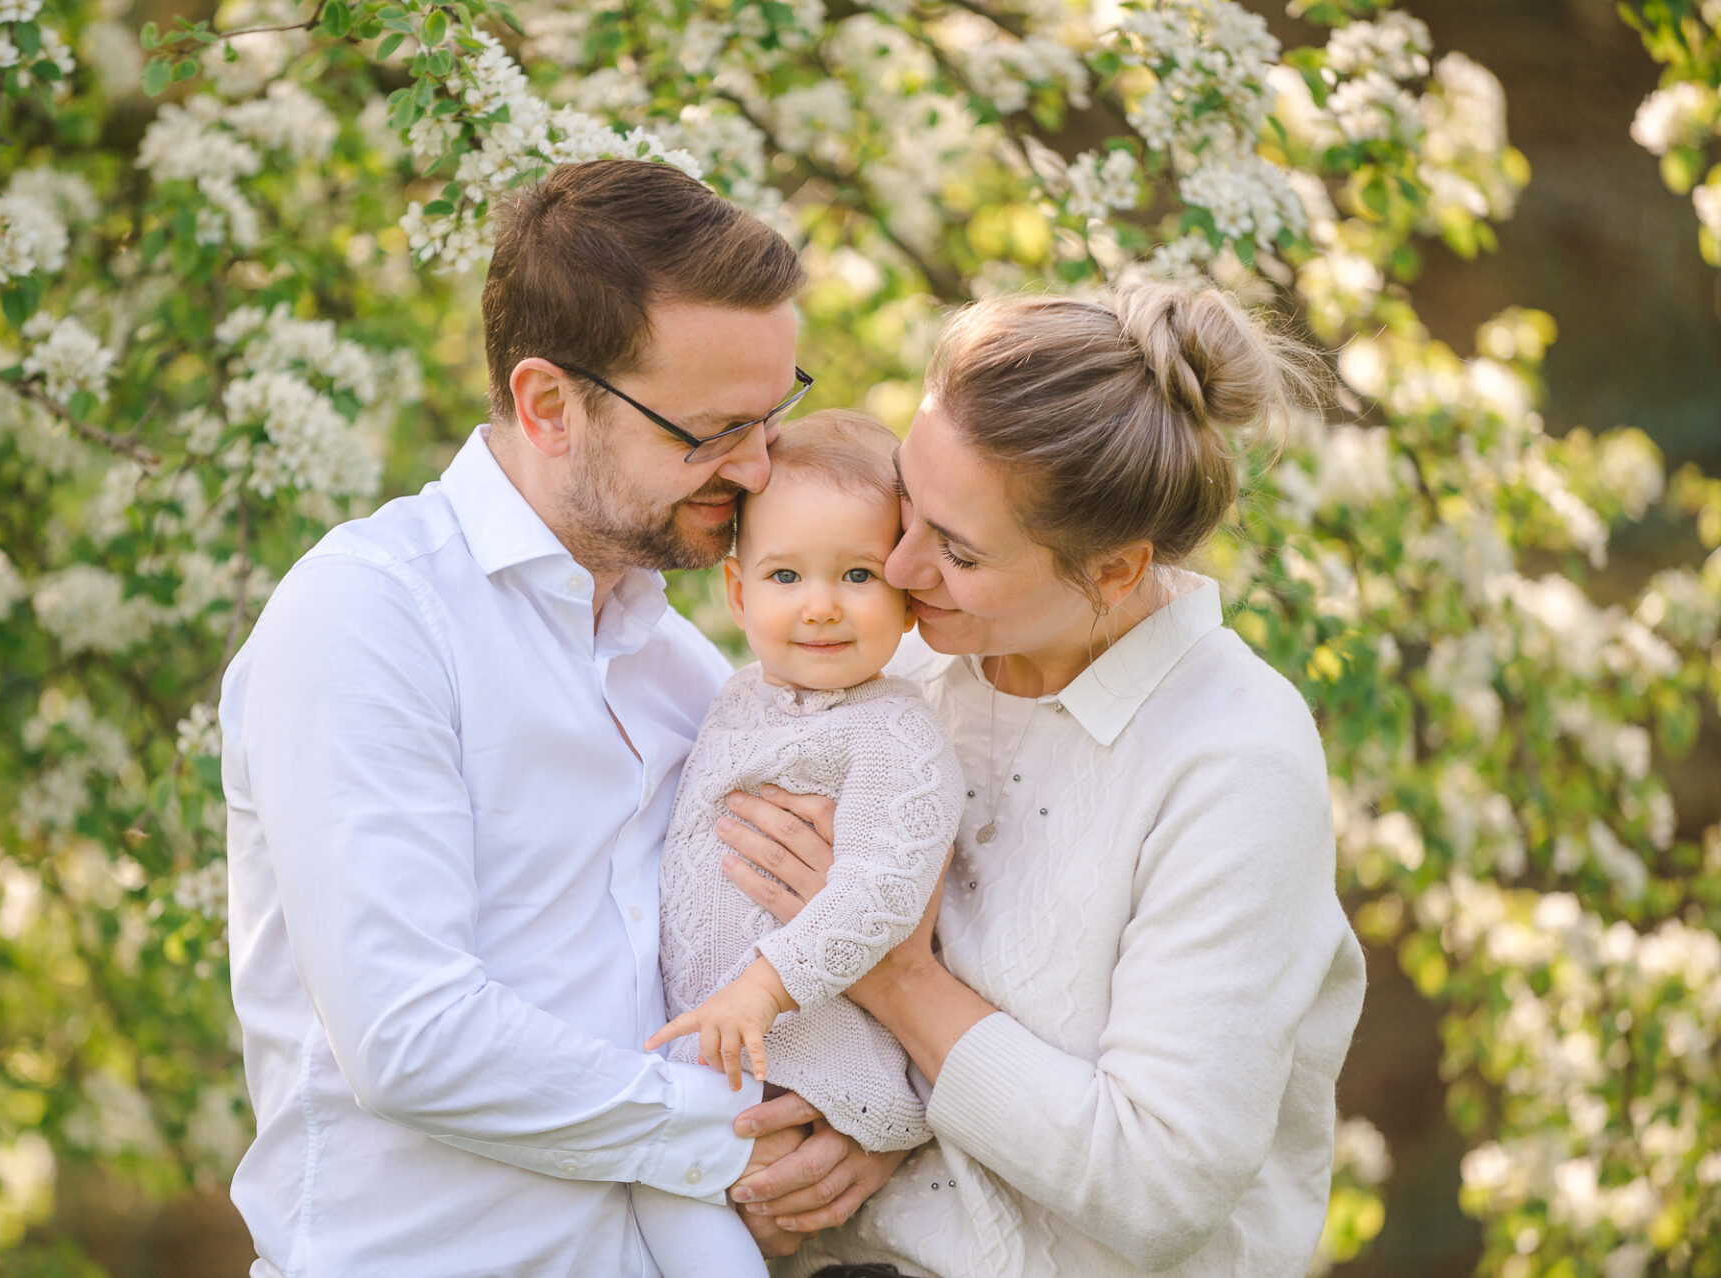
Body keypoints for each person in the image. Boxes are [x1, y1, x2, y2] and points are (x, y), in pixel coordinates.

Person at [218, 159, 895, 1277]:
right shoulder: (368, 619)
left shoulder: (685, 668)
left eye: (774, 416)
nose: (761, 466)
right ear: (547, 405)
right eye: (716, 429)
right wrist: (727, 1139)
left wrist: (835, 1136)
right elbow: (411, 1039)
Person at [716, 284, 1369, 1276]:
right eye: (909, 507)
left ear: (1114, 570)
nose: (896, 563)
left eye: (959, 551)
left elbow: (1158, 1187)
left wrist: (892, 973)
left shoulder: (1234, 760)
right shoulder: (901, 664)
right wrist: (849, 1121)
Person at [633, 411, 964, 1278]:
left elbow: (880, 892)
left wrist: (763, 987)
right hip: (713, 1067)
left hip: (811, 1076)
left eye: (857, 573)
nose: (820, 606)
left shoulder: (895, 735)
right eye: (786, 575)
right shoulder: (732, 694)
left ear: (906, 594)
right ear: (739, 592)